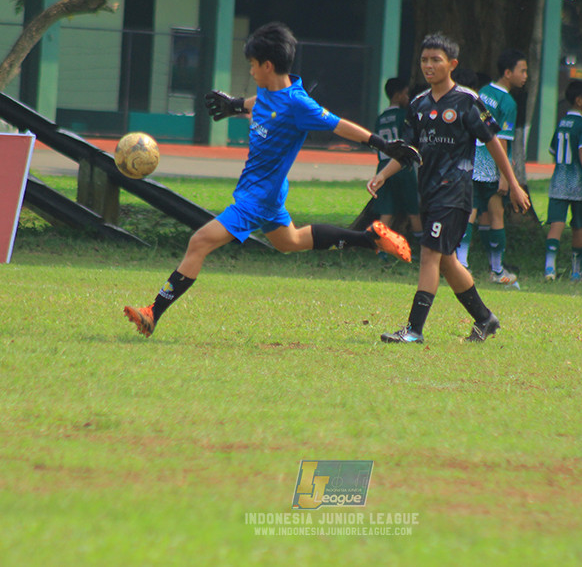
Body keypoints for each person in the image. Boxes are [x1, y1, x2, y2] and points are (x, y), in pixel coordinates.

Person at [123, 22, 419, 337]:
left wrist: (384, 145)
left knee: (199, 242)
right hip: (265, 191)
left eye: (252, 65)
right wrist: (235, 105)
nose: (250, 71)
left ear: (267, 65)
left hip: (259, 197)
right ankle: (369, 238)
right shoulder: (267, 91)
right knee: (289, 242)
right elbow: (259, 102)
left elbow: (337, 125)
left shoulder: (297, 103)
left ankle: (152, 313)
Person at [368, 33, 530, 344]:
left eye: (435, 60)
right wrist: (383, 175)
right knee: (447, 260)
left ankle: (414, 330)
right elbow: (407, 151)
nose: (428, 65)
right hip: (428, 192)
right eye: (424, 60)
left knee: (429, 254)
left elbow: (493, 141)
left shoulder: (467, 100)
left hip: (455, 191)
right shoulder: (418, 104)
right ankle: (485, 318)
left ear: (452, 64)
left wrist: (511, 183)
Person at [455, 49, 529, 285]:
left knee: (471, 211)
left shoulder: (483, 91)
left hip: (469, 160)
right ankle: (496, 271)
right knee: (495, 213)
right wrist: (506, 177)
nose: (526, 75)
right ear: (508, 73)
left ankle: (462, 263)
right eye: (523, 71)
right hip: (489, 166)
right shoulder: (508, 102)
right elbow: (502, 141)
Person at [544, 80, 582, 282]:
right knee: (578, 226)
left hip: (559, 180)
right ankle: (576, 271)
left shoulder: (561, 123)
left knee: (556, 224)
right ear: (579, 100)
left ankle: (550, 267)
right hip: (578, 182)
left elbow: (552, 150)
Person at [371, 78, 422, 246]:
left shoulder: (381, 118)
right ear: (399, 95)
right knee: (413, 210)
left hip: (383, 167)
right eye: (406, 94)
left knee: (387, 211)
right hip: (401, 166)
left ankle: (379, 246)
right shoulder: (404, 115)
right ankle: (422, 246)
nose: (408, 98)